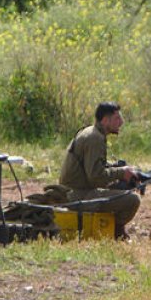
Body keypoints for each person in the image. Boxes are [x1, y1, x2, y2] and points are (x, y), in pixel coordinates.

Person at [57, 102, 141, 239]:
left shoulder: (91, 132)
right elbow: (95, 177)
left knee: (123, 186)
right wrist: (121, 172)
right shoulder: (95, 138)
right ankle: (115, 232)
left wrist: (118, 169)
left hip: (75, 191)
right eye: (117, 119)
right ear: (105, 120)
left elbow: (93, 167)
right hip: (77, 196)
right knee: (133, 200)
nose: (121, 122)